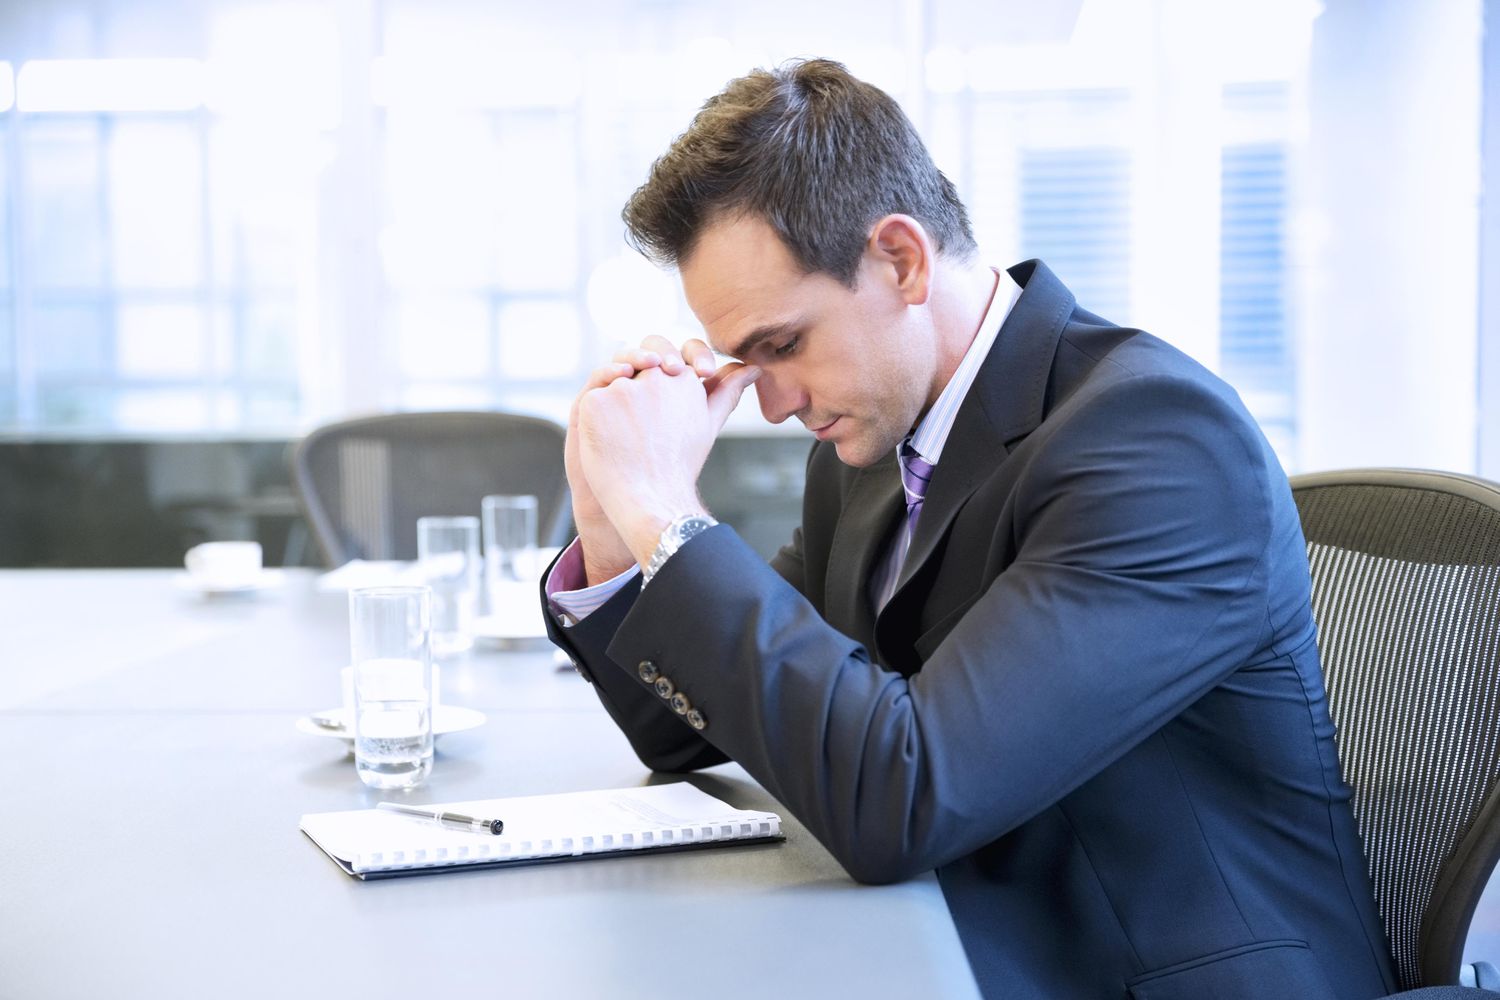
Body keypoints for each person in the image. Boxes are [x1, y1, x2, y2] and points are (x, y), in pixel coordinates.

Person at [540, 59, 1396, 1000]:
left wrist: (668, 511)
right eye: (745, 360)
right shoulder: (871, 444)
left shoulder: (1158, 441)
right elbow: (683, 732)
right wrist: (611, 522)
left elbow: (904, 799)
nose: (773, 404)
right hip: (945, 944)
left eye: (781, 345)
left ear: (901, 260)